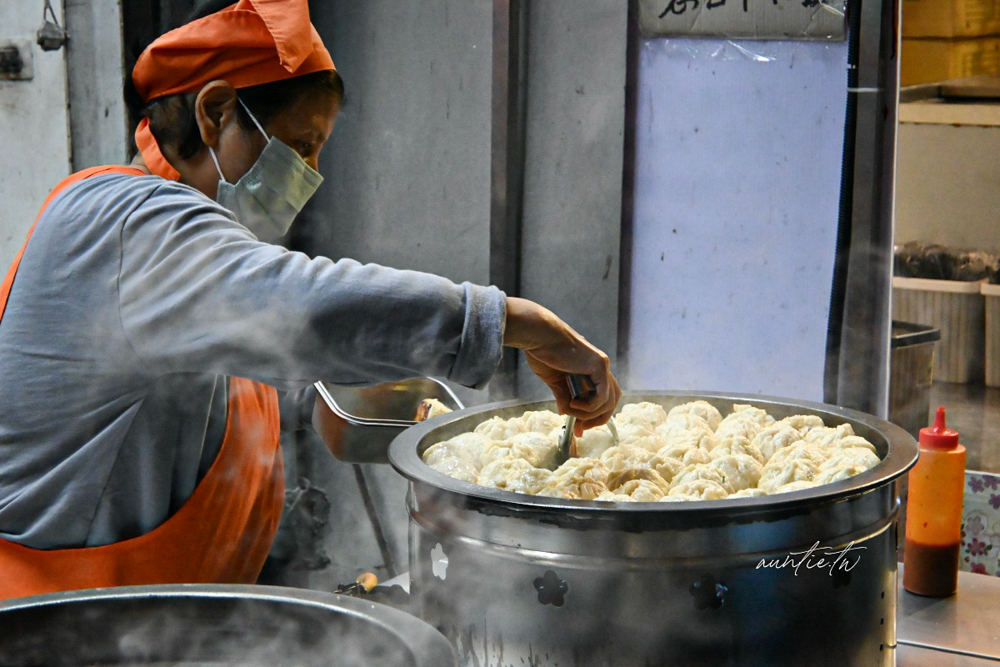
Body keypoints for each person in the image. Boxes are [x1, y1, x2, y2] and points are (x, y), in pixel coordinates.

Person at [0, 0, 620, 600]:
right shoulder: (125, 222)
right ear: (216, 113)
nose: (311, 173)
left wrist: (336, 403)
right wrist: (514, 322)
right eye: (299, 146)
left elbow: (213, 376)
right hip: (62, 621)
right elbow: (302, 309)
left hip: (158, 619)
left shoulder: (188, 256)